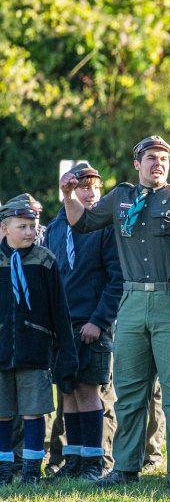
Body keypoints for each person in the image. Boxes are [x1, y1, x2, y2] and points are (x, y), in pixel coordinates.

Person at [60, 135, 170, 490]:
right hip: (130, 303)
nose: (158, 163)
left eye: (163, 158)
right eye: (151, 158)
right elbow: (82, 223)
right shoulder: (120, 197)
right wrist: (67, 195)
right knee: (129, 390)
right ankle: (125, 467)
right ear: (136, 163)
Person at [45, 163, 123, 481]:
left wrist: (99, 321)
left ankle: (95, 460)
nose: (91, 194)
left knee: (89, 389)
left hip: (92, 322)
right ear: (70, 192)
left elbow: (117, 280)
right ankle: (74, 459)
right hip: (62, 325)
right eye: (84, 187)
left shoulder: (105, 227)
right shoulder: (54, 228)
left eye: (95, 187)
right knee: (68, 390)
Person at [0, 199, 79, 485]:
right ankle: (4, 469)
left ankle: (32, 469)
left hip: (34, 351)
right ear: (4, 228)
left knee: (34, 411)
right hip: (2, 352)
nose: (29, 232)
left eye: (33, 226)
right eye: (22, 227)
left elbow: (60, 311)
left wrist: (67, 353)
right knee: (3, 414)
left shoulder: (45, 260)